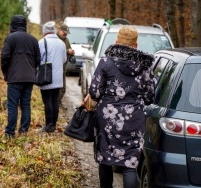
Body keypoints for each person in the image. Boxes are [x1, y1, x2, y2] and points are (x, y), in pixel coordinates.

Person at [88, 26, 155, 188]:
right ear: (136, 45)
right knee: (130, 164)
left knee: (105, 158)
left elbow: (95, 92)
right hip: (134, 120)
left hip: (108, 119)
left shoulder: (106, 62)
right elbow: (149, 96)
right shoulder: (145, 66)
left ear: (117, 41)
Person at [0, 15, 41, 138]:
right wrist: (31, 70)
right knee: (26, 104)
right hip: (29, 77)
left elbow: (4, 57)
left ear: (13, 24)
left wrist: (6, 72)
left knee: (12, 105)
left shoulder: (10, 38)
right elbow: (38, 59)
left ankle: (10, 133)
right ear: (24, 25)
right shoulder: (33, 40)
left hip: (15, 78)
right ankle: (24, 130)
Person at [39, 21, 67, 132]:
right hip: (58, 77)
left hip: (46, 75)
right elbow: (64, 59)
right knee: (54, 100)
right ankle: (53, 125)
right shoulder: (62, 43)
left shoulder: (42, 42)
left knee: (47, 101)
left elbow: (39, 58)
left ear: (45, 32)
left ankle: (48, 126)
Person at [56, 23, 75, 103]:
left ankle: (57, 103)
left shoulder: (66, 40)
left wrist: (71, 53)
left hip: (63, 68)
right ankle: (55, 104)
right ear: (60, 30)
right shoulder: (55, 39)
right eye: (64, 32)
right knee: (56, 88)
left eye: (66, 33)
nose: (65, 34)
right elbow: (56, 51)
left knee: (63, 89)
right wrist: (67, 51)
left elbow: (69, 48)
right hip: (56, 68)